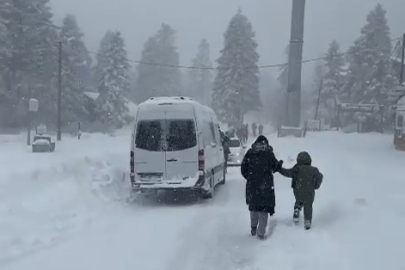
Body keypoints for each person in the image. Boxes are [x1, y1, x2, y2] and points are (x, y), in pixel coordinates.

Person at [241, 135, 280, 240]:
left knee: (253, 207)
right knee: (263, 210)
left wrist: (250, 178)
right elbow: (275, 166)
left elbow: (243, 168)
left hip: (252, 186)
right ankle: (261, 233)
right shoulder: (268, 154)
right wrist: (279, 165)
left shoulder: (250, 153)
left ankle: (253, 227)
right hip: (265, 187)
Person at [275, 152, 323, 230]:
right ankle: (307, 221)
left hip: (298, 190)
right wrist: (315, 186)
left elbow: (287, 173)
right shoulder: (314, 170)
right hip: (309, 192)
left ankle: (297, 209)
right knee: (308, 205)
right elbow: (320, 177)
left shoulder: (297, 168)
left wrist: (279, 169)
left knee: (299, 199)